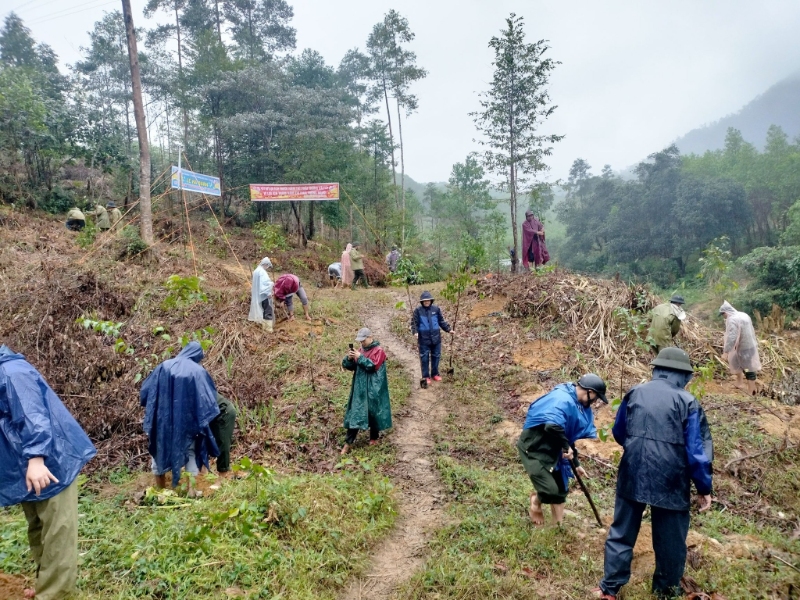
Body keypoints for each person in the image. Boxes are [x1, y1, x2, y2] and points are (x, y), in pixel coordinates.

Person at [593, 348, 713, 600]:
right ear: (683, 375)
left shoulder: (635, 392)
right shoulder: (688, 402)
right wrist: (703, 488)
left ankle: (610, 589)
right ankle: (665, 592)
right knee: (670, 539)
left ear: (657, 369)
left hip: (632, 470)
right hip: (671, 477)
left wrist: (637, 448)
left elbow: (618, 431)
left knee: (622, 530)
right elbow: (697, 452)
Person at [0, 345, 97, 600]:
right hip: (28, 470)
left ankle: (55, 594)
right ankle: (47, 584)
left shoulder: (11, 372)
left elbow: (34, 416)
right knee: (38, 528)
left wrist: (36, 459)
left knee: (58, 534)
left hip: (49, 466)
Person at [517, 374, 607, 526]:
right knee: (550, 490)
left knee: (561, 489)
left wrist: (576, 463)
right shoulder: (562, 398)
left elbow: (567, 436)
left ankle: (557, 527)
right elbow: (552, 425)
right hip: (534, 449)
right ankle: (535, 501)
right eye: (596, 397)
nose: (595, 401)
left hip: (554, 448)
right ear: (589, 392)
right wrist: (566, 447)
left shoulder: (578, 404)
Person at [140, 342, 222, 488]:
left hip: (162, 420)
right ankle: (191, 491)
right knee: (190, 451)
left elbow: (146, 392)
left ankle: (160, 489)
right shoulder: (198, 371)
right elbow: (208, 399)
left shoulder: (163, 366)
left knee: (160, 448)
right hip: (187, 422)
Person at [341, 328, 393, 454]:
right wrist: (349, 359)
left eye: (363, 341)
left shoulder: (379, 351)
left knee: (373, 411)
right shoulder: (360, 351)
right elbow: (350, 366)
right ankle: (348, 442)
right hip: (360, 388)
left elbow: (373, 366)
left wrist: (360, 358)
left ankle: (374, 437)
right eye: (360, 341)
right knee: (356, 412)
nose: (362, 344)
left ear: (370, 337)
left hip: (374, 388)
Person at [719, 300, 762, 395]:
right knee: (735, 362)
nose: (724, 317)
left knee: (748, 368)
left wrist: (726, 351)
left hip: (745, 347)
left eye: (723, 315)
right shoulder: (743, 315)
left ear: (726, 313)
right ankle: (739, 383)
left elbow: (732, 336)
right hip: (749, 345)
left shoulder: (732, 319)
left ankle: (752, 390)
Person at [412, 291, 454, 384]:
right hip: (423, 339)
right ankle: (426, 376)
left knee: (436, 356)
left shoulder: (436, 309)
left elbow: (441, 321)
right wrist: (415, 332)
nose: (427, 302)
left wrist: (448, 329)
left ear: (431, 300)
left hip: (436, 338)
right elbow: (414, 323)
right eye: (424, 301)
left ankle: (435, 374)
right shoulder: (418, 311)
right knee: (424, 357)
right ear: (422, 302)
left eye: (428, 300)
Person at [209, 393, 237, 478]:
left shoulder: (195, 386)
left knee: (223, 443)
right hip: (213, 414)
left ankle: (222, 477)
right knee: (204, 439)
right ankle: (204, 472)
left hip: (225, 412)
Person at [248, 257, 275, 332]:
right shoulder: (262, 272)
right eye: (267, 266)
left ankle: (264, 327)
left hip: (258, 295)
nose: (267, 267)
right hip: (264, 295)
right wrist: (269, 291)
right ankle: (268, 328)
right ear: (265, 264)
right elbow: (264, 284)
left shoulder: (256, 270)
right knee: (267, 310)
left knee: (263, 310)